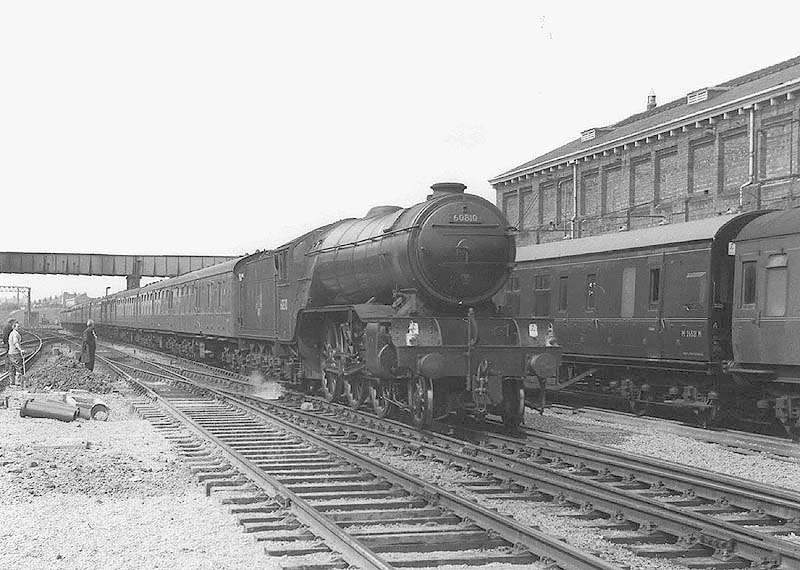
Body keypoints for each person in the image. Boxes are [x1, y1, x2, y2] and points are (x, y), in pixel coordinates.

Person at [7, 320, 24, 387]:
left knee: (11, 367)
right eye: (18, 326)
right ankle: (18, 382)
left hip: (10, 353)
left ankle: (12, 382)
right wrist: (21, 350)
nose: (19, 328)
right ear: (14, 327)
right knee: (18, 367)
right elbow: (16, 343)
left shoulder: (11, 333)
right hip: (15, 353)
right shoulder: (15, 334)